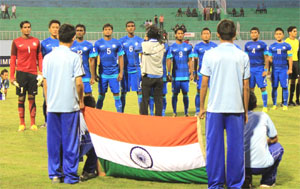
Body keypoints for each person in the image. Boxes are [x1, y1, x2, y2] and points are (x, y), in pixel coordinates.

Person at [199, 19, 250, 188]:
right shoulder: (242, 56)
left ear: (217, 34)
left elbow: (204, 83)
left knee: (214, 149)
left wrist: (201, 107)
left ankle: (215, 184)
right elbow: (246, 86)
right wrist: (246, 111)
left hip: (214, 109)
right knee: (236, 149)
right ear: (235, 34)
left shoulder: (210, 54)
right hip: (236, 108)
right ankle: (235, 184)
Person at [43, 23, 84, 184]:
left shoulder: (48, 57)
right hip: (70, 106)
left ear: (58, 36)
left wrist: (48, 102)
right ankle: (70, 176)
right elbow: (79, 83)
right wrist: (80, 100)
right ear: (74, 37)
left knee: (53, 142)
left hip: (52, 106)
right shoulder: (74, 57)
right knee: (71, 142)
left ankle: (55, 174)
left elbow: (45, 83)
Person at [243, 91, 284, 188]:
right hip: (262, 166)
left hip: (241, 166)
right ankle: (267, 181)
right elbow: (274, 139)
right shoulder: (263, 116)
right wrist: (266, 141)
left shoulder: (236, 119)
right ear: (256, 104)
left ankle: (246, 179)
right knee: (279, 147)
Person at [10, 21, 43, 132]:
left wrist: (41, 72)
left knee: (32, 98)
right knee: (21, 98)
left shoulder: (36, 41)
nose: (27, 29)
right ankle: (22, 123)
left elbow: (40, 57)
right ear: (21, 29)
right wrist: (11, 76)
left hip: (33, 73)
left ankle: (33, 123)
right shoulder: (16, 42)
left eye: (29, 27)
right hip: (21, 73)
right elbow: (13, 59)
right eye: (25, 27)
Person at [92, 23, 124, 112]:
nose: (107, 31)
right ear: (103, 31)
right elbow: (94, 59)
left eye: (109, 29)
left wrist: (121, 72)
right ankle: (97, 114)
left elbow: (121, 58)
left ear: (112, 31)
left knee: (117, 96)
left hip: (114, 74)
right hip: (103, 75)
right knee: (101, 96)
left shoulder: (117, 43)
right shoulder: (98, 43)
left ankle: (120, 116)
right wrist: (94, 74)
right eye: (106, 29)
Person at [167, 26, 194, 117]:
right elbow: (169, 61)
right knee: (175, 94)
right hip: (175, 76)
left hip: (185, 75)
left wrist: (191, 73)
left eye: (182, 33)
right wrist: (169, 73)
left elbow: (190, 60)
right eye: (178, 33)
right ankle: (174, 112)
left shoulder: (188, 47)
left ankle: (186, 112)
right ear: (175, 35)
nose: (180, 35)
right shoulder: (171, 47)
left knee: (185, 94)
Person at [139, 25, 165, 116]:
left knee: (145, 99)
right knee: (158, 100)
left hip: (148, 76)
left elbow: (136, 49)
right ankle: (158, 119)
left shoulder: (144, 44)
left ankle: (144, 119)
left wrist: (145, 39)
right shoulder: (162, 45)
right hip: (159, 76)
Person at [119, 21, 144, 113]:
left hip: (136, 70)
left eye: (132, 26)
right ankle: (121, 113)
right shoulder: (121, 41)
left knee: (140, 91)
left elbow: (144, 55)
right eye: (128, 26)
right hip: (125, 70)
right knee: (123, 92)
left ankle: (141, 113)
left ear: (135, 28)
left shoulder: (140, 41)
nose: (130, 28)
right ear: (126, 28)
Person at [41, 19, 61, 128]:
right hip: (48, 76)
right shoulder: (44, 43)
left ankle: (58, 121)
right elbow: (41, 59)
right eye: (53, 27)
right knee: (47, 98)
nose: (55, 29)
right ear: (49, 29)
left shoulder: (63, 42)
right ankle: (47, 121)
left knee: (60, 97)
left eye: (57, 27)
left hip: (61, 75)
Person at [193, 28, 217, 116]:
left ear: (210, 35)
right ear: (201, 35)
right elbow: (195, 60)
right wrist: (195, 73)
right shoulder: (197, 46)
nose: (206, 35)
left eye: (207, 33)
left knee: (213, 91)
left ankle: (212, 109)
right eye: (204, 33)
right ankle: (198, 109)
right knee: (199, 91)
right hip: (201, 73)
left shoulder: (215, 46)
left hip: (213, 73)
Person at [244, 27, 269, 112]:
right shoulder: (247, 45)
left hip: (259, 68)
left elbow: (266, 58)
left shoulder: (263, 44)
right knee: (250, 88)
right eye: (252, 32)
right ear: (250, 34)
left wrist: (265, 70)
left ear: (258, 34)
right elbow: (246, 58)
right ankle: (252, 104)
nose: (253, 34)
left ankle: (265, 106)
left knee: (263, 87)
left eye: (255, 32)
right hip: (250, 69)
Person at [269, 27, 293, 110]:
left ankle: (285, 104)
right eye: (277, 34)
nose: (278, 35)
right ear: (274, 35)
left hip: (284, 69)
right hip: (275, 69)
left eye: (280, 34)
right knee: (274, 87)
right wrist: (269, 70)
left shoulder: (287, 46)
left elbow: (290, 58)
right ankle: (274, 104)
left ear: (283, 35)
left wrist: (290, 69)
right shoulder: (271, 46)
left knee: (285, 87)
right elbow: (269, 59)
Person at [71, 24, 96, 96]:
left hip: (86, 75)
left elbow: (92, 61)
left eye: (81, 30)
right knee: (74, 97)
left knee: (88, 95)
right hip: (73, 75)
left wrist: (93, 76)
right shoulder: (71, 44)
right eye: (77, 30)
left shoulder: (89, 45)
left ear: (84, 32)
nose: (79, 32)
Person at [149, 30, 170, 116]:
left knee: (163, 94)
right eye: (162, 35)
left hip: (162, 74)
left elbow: (168, 60)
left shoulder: (166, 46)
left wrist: (168, 73)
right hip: (151, 73)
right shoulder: (150, 46)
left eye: (164, 36)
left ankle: (163, 112)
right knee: (151, 94)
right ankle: (151, 112)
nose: (163, 37)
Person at [79, 96, 98, 181]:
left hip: (66, 143)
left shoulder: (74, 112)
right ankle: (88, 171)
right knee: (96, 144)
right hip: (79, 142)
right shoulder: (89, 115)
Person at [285, 26, 299, 106]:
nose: (295, 32)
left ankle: (291, 100)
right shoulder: (287, 41)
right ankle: (285, 101)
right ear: (290, 32)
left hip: (296, 62)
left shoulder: (297, 41)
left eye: (296, 31)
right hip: (288, 62)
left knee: (293, 81)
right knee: (287, 81)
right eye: (294, 31)